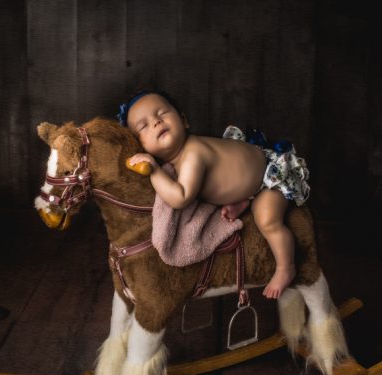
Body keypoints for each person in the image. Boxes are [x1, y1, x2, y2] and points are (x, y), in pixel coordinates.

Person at [116, 89, 310, 299]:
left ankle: (285, 268)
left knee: (267, 220)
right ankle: (243, 199)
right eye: (143, 126)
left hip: (268, 177)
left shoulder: (193, 153)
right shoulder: (180, 159)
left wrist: (153, 170)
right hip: (245, 179)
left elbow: (180, 198)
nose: (156, 122)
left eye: (162, 113)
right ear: (140, 146)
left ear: (183, 120)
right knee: (230, 192)